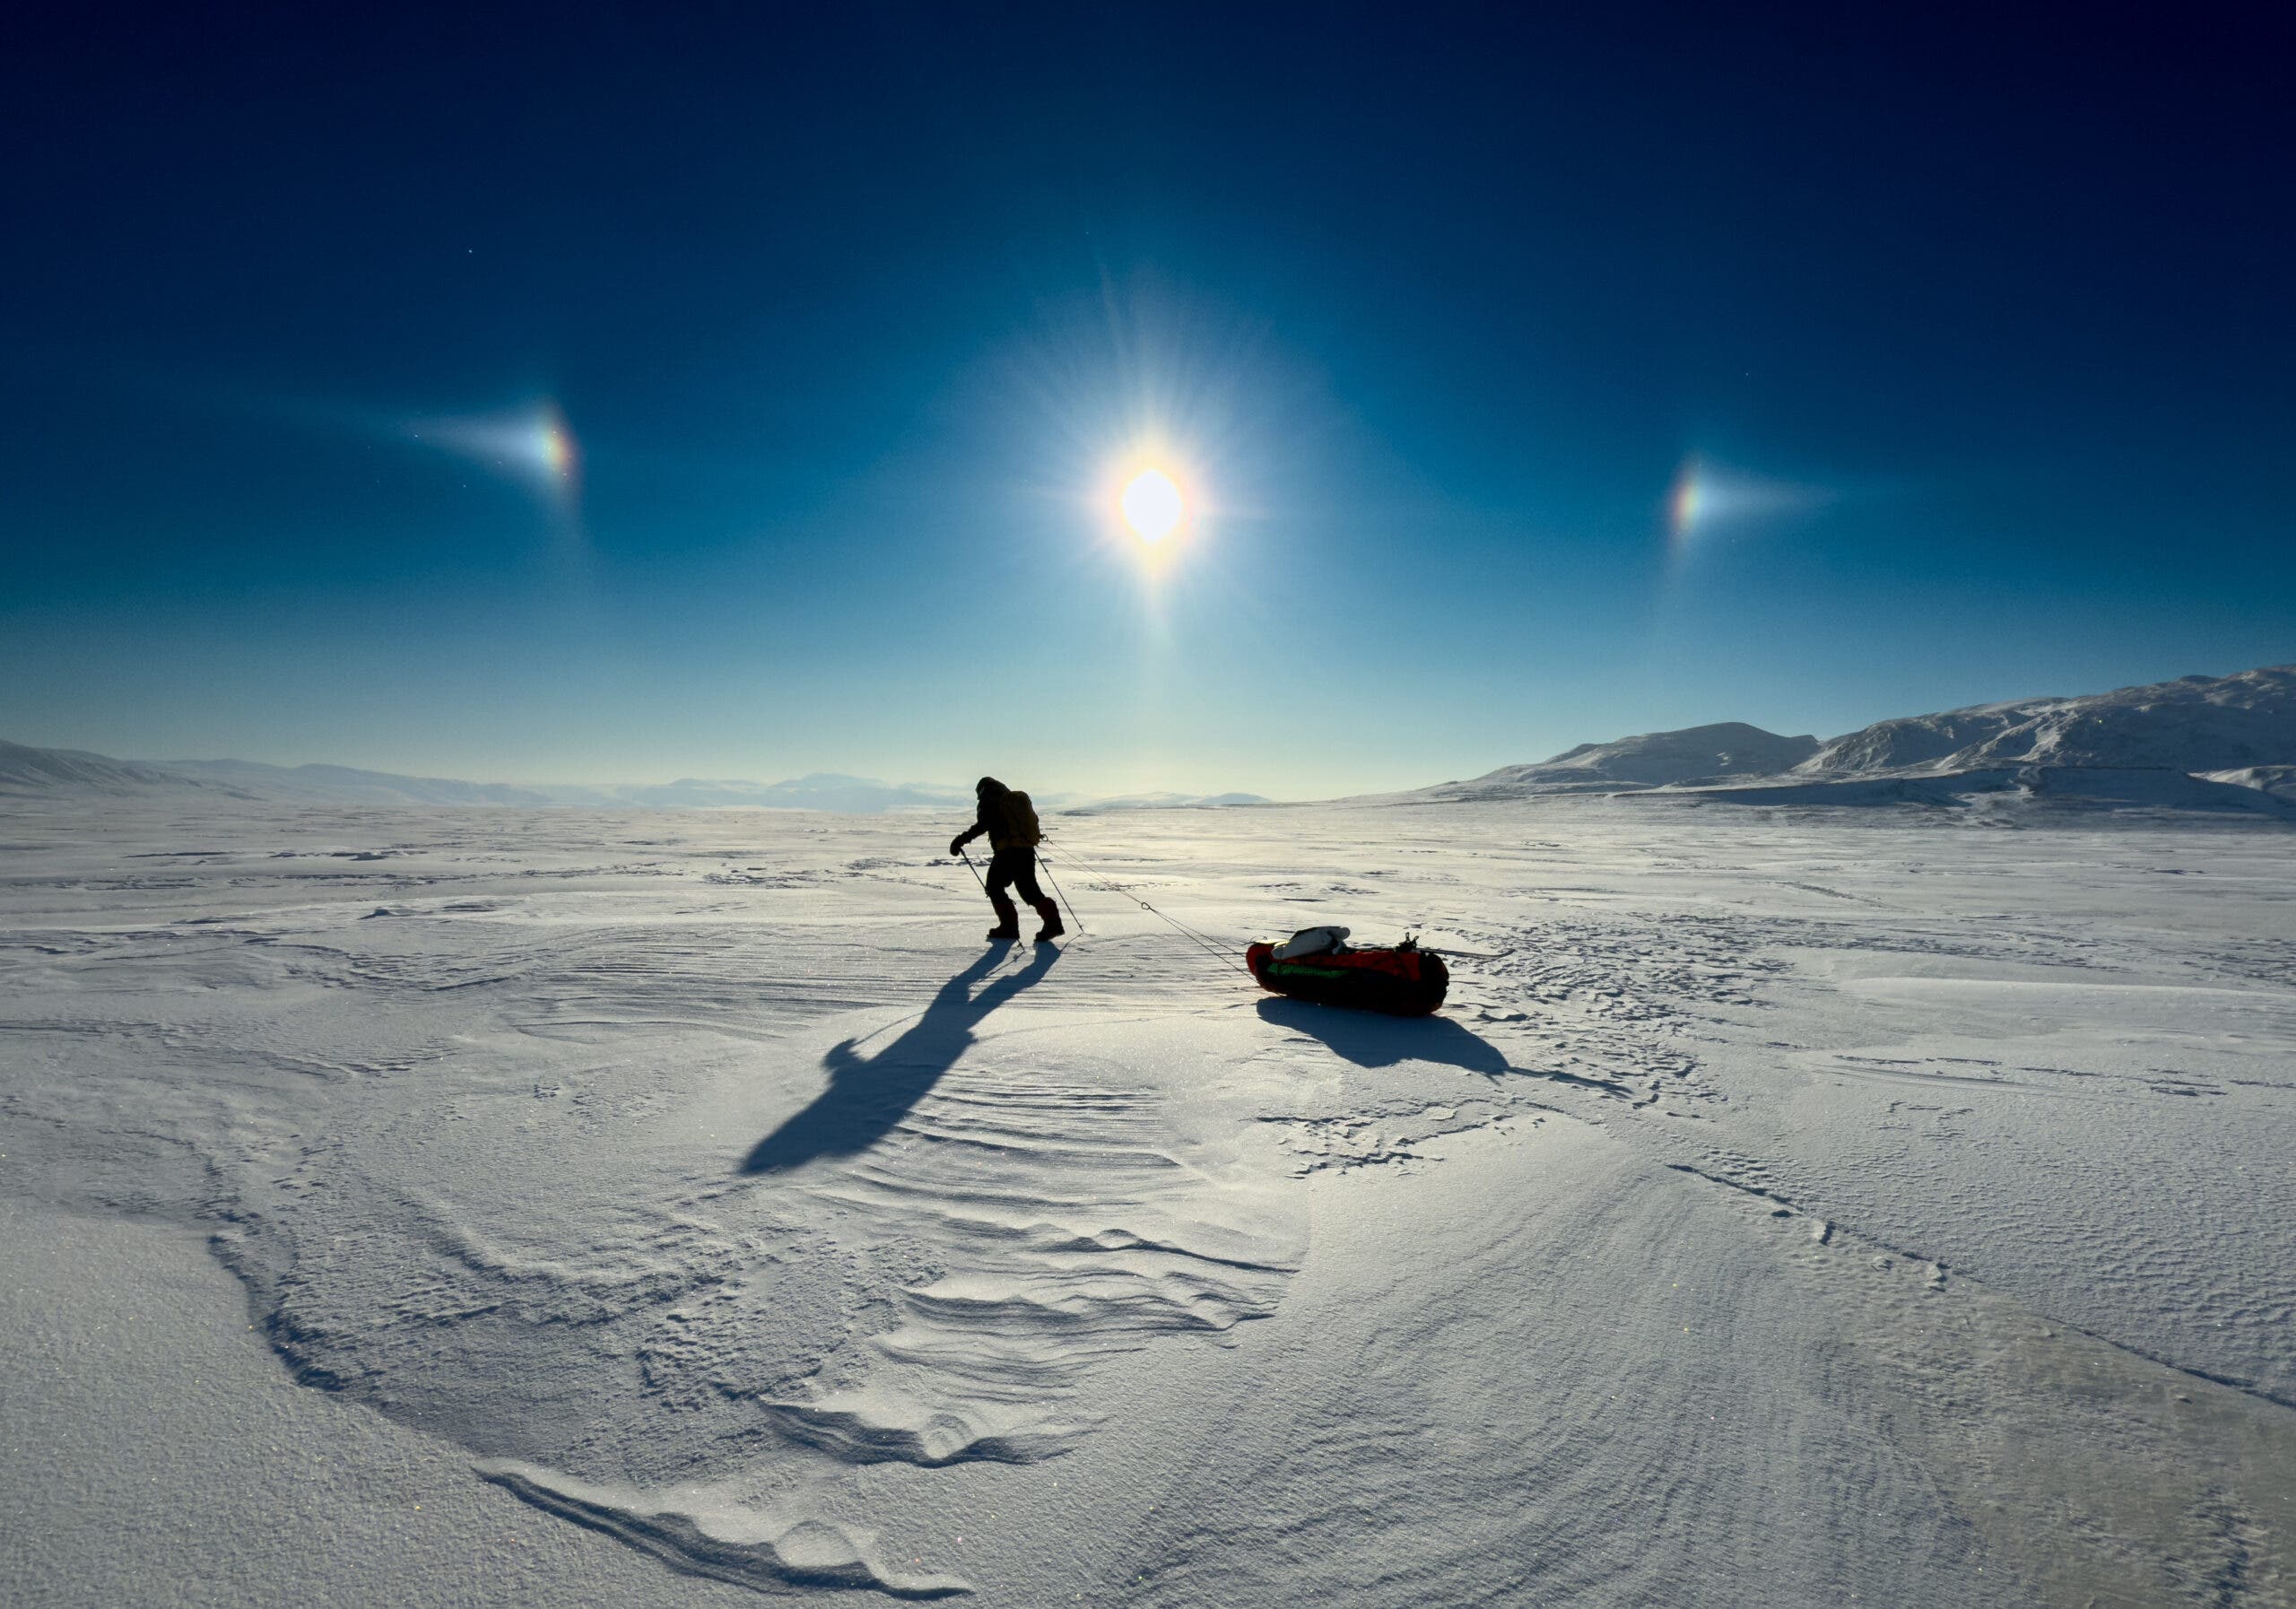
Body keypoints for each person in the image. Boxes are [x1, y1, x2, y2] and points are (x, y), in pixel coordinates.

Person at [949, 776, 1065, 944]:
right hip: (1025, 851)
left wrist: (960, 840)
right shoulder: (1008, 797)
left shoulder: (989, 799)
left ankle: (1009, 927)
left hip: (1007, 852)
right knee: (1030, 891)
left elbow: (982, 825)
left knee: (994, 887)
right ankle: (1053, 924)